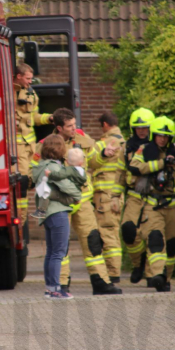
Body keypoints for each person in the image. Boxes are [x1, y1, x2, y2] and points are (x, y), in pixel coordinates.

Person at [33, 108, 122, 295]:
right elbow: (35, 171)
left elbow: (93, 161)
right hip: (59, 203)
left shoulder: (83, 139)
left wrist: (104, 154)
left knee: (93, 241)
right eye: (70, 126)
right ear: (59, 128)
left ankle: (100, 282)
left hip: (82, 200)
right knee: (61, 246)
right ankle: (61, 284)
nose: (74, 128)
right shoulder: (45, 145)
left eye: (75, 124)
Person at [129, 116, 175, 292]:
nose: (162, 139)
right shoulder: (144, 150)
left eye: (166, 136)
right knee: (154, 238)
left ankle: (166, 278)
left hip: (174, 205)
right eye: (159, 135)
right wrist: (161, 164)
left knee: (173, 242)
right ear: (154, 135)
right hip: (152, 204)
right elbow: (135, 167)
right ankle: (157, 274)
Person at [31, 135, 82, 300]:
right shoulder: (54, 167)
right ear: (59, 149)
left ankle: (50, 288)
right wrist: (78, 195)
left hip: (47, 214)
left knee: (51, 252)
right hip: (58, 212)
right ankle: (55, 290)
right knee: (58, 253)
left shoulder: (40, 166)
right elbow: (66, 185)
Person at [13, 63, 52, 225]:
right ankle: (20, 220)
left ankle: (23, 219)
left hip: (31, 146)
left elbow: (34, 118)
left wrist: (49, 118)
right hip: (16, 146)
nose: (30, 82)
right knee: (21, 181)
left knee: (31, 180)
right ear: (18, 76)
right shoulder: (7, 92)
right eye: (27, 78)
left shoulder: (31, 93)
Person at [119, 107, 155, 284]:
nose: (141, 131)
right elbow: (120, 172)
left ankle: (151, 274)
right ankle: (138, 263)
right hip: (134, 195)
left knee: (152, 234)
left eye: (145, 127)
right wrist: (115, 195)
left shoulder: (159, 146)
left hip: (155, 196)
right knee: (128, 230)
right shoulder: (126, 147)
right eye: (138, 128)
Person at [91, 112, 125, 283]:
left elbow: (90, 162)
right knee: (113, 231)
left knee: (108, 233)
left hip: (105, 196)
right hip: (118, 195)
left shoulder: (102, 144)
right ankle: (114, 270)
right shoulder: (125, 142)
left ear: (105, 124)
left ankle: (113, 273)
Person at [29, 148, 87, 223]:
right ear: (81, 162)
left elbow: (59, 175)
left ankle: (42, 211)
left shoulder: (70, 169)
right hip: (73, 197)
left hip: (68, 197)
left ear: (67, 161)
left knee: (46, 192)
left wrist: (50, 174)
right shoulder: (82, 172)